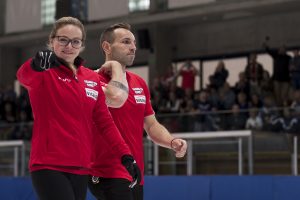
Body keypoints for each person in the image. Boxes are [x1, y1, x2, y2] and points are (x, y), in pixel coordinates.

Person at [16, 17, 138, 200]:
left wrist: (126, 155)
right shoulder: (43, 72)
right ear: (52, 41)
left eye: (75, 41)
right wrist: (35, 64)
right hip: (49, 166)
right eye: (63, 39)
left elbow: (105, 123)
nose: (69, 46)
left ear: (81, 45)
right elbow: (24, 76)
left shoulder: (90, 78)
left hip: (81, 167)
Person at [88, 23, 187, 200]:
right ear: (106, 47)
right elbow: (116, 98)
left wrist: (171, 141)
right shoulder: (91, 80)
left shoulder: (139, 83)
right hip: (106, 172)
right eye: (126, 42)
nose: (133, 47)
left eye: (133, 42)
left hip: (134, 172)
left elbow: (151, 125)